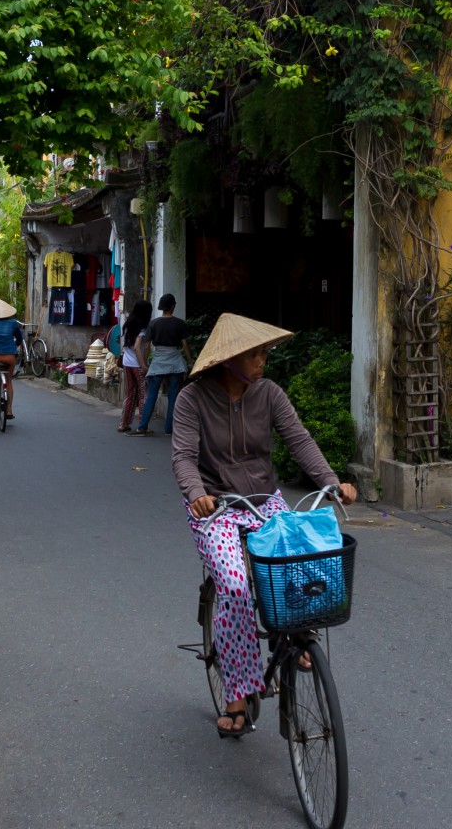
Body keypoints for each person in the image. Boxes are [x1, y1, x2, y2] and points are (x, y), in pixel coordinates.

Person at [172, 313, 356, 739]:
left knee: (301, 561)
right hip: (215, 506)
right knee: (236, 586)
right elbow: (183, 455)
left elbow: (299, 439)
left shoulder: (269, 394)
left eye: (264, 353)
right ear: (229, 360)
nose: (263, 361)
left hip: (263, 501)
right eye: (256, 354)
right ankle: (237, 691)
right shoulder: (192, 399)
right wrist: (196, 492)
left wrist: (330, 483)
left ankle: (291, 637)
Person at [136, 294, 191, 435]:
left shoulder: (153, 324)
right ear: (172, 306)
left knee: (152, 395)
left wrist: (145, 363)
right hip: (175, 362)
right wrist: (190, 362)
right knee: (173, 397)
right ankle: (169, 429)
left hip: (158, 361)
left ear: (161, 307)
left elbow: (147, 346)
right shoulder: (180, 323)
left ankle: (142, 427)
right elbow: (184, 345)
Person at [116, 298, 152, 433]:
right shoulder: (143, 327)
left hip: (126, 362)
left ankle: (123, 423)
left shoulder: (128, 324)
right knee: (143, 394)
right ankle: (142, 425)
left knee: (130, 394)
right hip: (137, 364)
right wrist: (143, 365)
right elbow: (138, 347)